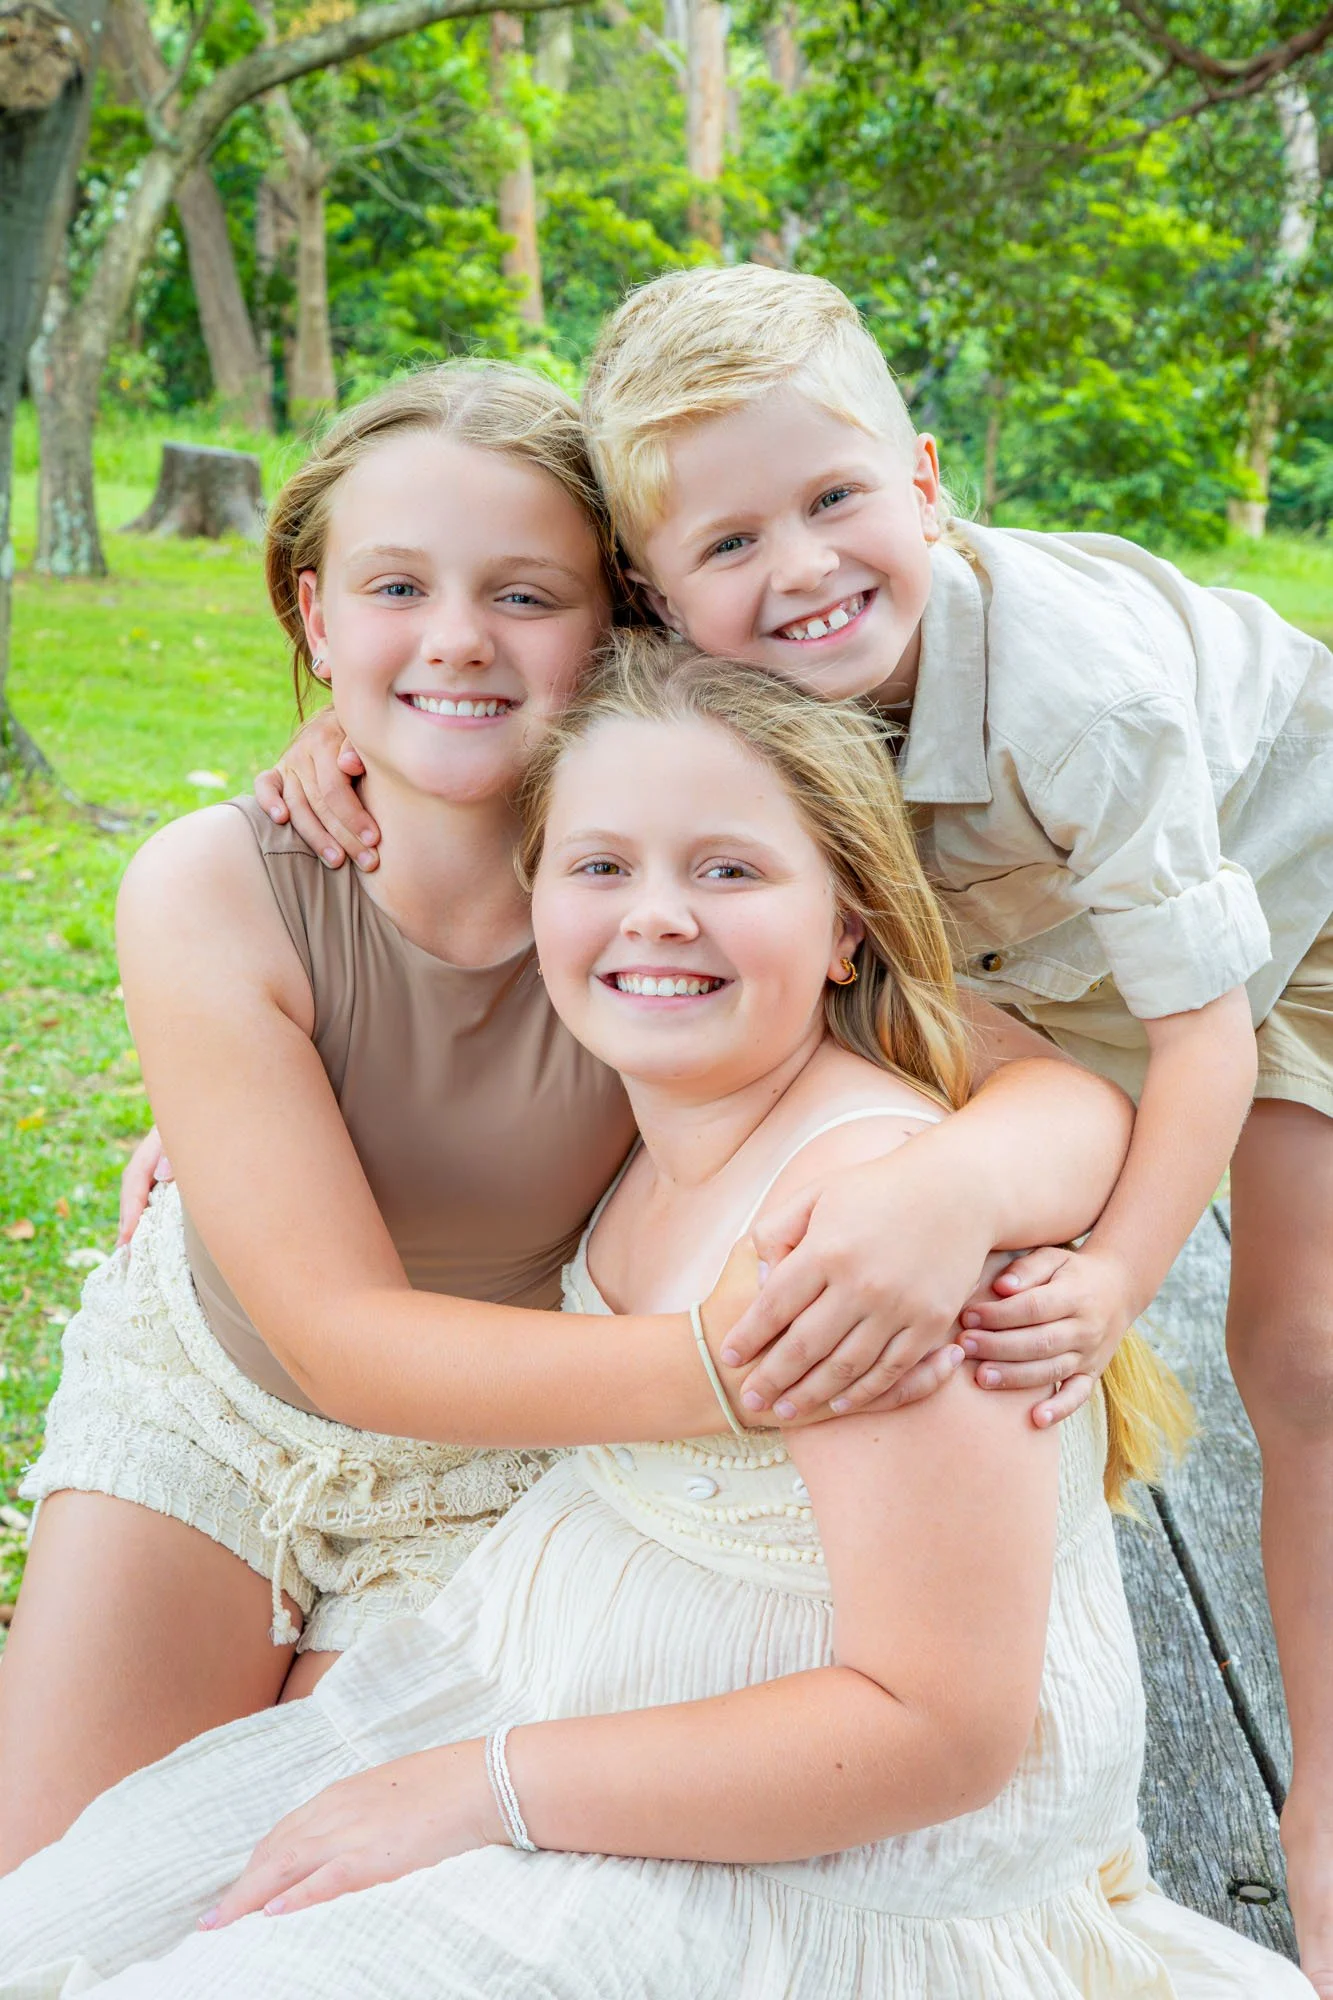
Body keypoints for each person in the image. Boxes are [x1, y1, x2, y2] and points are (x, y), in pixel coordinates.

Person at [281, 267, 1333, 1985]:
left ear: (925, 482)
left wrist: (1122, 1273)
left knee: (1302, 1351)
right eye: (732, 545)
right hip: (1039, 938)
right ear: (656, 586)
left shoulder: (1093, 696)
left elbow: (1201, 1028)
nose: (798, 569)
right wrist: (337, 736)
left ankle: (1321, 1819)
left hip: (1292, 886)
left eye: (839, 501)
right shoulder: (707, 643)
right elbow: (485, 685)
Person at [0, 637, 1308, 1998]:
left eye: (728, 870)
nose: (658, 917)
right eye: (600, 867)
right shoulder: (651, 1108)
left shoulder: (871, 1243)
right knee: (77, 1931)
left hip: (811, 1874)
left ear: (848, 921)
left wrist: (476, 1791)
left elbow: (943, 1734)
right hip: (575, 1712)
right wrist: (218, 1113)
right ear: (537, 903)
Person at [1, 362, 1129, 1874]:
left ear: (621, 621)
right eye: (396, 586)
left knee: (279, 1886)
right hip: (227, 1405)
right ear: (312, 613)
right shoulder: (221, 884)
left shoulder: (648, 891)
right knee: (51, 1888)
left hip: (523, 1452)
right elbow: (339, 1336)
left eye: (526, 596)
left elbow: (1049, 1085)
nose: (458, 639)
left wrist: (952, 1192)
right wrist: (727, 1368)